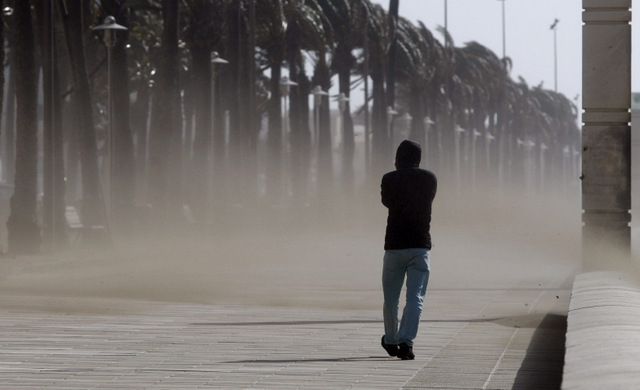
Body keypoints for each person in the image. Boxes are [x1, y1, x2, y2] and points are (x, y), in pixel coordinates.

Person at [380, 140, 437, 360]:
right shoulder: (429, 178)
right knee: (415, 297)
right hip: (420, 247)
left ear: (397, 159)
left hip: (394, 247)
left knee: (390, 298)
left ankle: (391, 339)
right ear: (418, 159)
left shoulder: (389, 178)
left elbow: (387, 202)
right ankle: (406, 342)